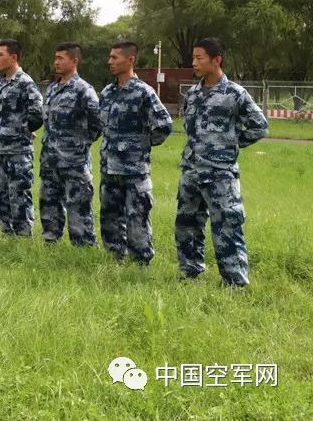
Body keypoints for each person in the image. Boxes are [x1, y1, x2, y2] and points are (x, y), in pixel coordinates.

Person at [176, 37, 268, 287]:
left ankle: (235, 283)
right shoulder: (192, 94)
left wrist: (229, 146)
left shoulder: (235, 93)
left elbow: (260, 127)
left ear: (216, 60)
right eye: (193, 57)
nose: (193, 62)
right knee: (187, 224)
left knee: (227, 227)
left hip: (220, 174)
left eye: (199, 58)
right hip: (192, 171)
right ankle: (189, 273)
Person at [98, 41, 173, 265]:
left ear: (130, 60)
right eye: (110, 57)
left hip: (134, 171)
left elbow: (164, 125)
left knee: (137, 217)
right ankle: (114, 259)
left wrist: (140, 146)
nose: (109, 62)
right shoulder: (108, 92)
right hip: (109, 166)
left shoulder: (143, 92)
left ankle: (141, 263)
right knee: (109, 216)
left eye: (115, 57)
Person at [39, 43, 102, 245]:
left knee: (79, 207)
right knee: (49, 204)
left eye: (61, 58)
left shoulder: (84, 90)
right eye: (55, 58)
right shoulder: (52, 90)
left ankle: (82, 247)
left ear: (74, 61)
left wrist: (79, 144)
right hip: (50, 160)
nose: (56, 62)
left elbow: (96, 123)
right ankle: (51, 242)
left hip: (74, 162)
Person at [0, 39, 44, 236]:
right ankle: (6, 234)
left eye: (0, 54)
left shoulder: (25, 83)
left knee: (19, 195)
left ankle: (23, 237)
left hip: (18, 151)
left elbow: (37, 113)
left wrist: (22, 131)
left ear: (13, 57)